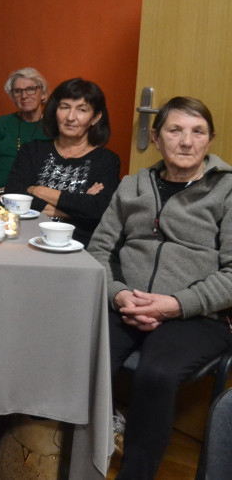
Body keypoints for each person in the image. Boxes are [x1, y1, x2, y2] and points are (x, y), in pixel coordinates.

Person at [87, 97, 232, 479]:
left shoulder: (229, 190)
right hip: (126, 304)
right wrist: (118, 294)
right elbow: (97, 252)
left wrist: (175, 304)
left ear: (210, 140)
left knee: (157, 372)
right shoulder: (132, 186)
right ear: (155, 138)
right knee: (81, 352)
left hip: (195, 314)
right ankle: (73, 459)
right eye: (175, 130)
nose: (186, 141)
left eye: (197, 131)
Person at [5, 78, 120, 245]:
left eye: (82, 109)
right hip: (25, 238)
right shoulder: (32, 150)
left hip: (76, 244)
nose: (71, 117)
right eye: (64, 107)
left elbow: (98, 210)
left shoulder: (107, 160)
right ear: (54, 111)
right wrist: (76, 206)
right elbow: (13, 197)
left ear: (95, 118)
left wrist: (38, 190)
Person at [0, 68, 50, 204]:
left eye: (30, 89)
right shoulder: (2, 123)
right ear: (12, 97)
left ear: (43, 94)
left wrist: (15, 192)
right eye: (18, 91)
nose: (24, 96)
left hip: (28, 200)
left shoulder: (52, 128)